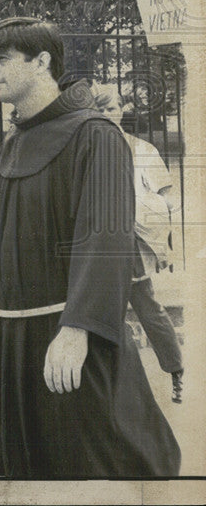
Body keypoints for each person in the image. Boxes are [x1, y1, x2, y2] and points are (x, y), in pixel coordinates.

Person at [0, 17, 179, 477]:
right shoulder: (15, 138)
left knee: (91, 465)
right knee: (22, 467)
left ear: (42, 61)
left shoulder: (96, 134)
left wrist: (77, 330)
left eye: (3, 59)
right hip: (8, 336)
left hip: (65, 333)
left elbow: (105, 242)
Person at [92, 83, 184, 403]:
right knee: (100, 314)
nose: (106, 115)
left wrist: (152, 214)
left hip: (129, 242)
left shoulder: (143, 150)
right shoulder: (82, 151)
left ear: (122, 111)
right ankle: (110, 388)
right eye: (99, 109)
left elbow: (167, 197)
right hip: (94, 244)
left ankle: (176, 372)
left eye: (111, 109)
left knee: (148, 308)